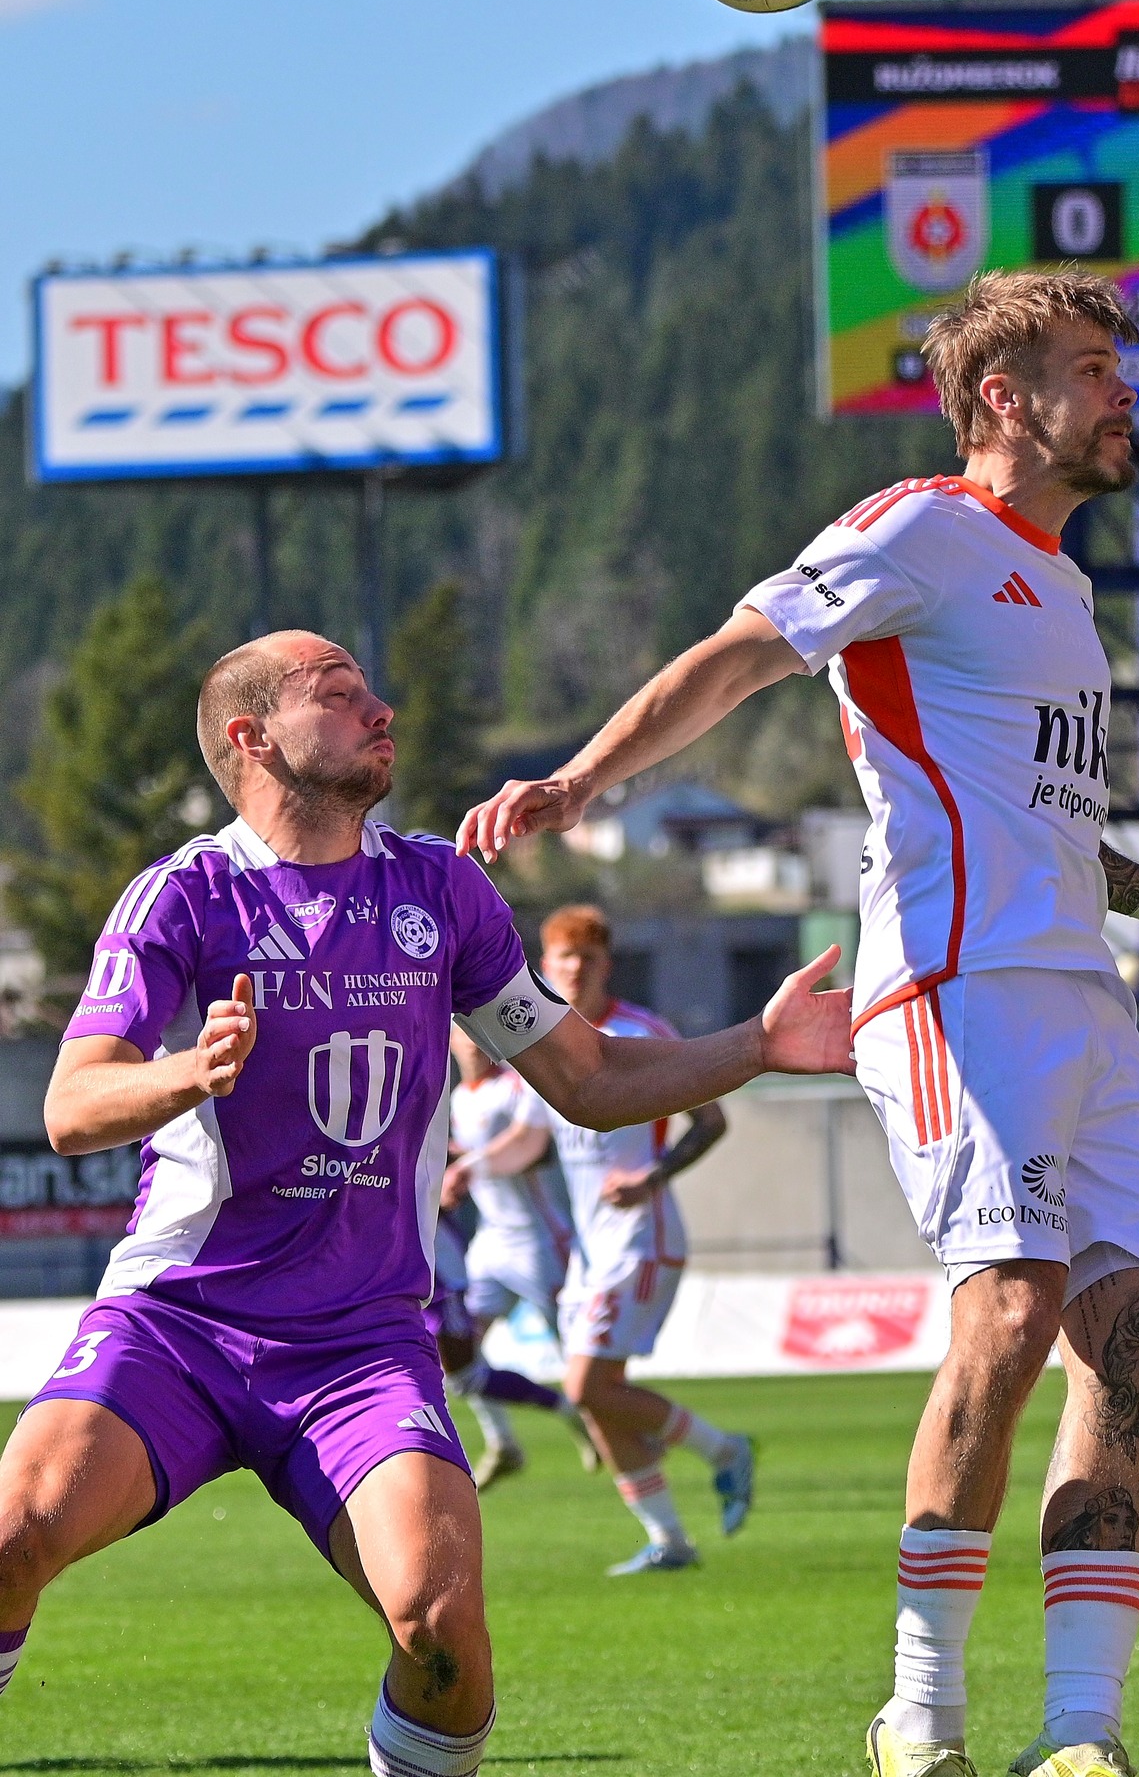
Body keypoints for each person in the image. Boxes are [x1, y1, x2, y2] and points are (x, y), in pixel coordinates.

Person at [458, 270, 1139, 1777]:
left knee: (1134, 1346)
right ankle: (918, 1717)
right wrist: (583, 779)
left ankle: (1081, 1735)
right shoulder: (915, 529)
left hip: (1083, 1001)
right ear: (1002, 397)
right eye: (1092, 369)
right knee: (1010, 1310)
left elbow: (1057, 828)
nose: (1124, 394)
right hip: (951, 986)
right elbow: (738, 650)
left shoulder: (1063, 591)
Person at [0, 629, 852, 1776]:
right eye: (338, 693)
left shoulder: (439, 887)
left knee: (443, 1632)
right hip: (179, 1324)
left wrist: (754, 1042)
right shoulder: (185, 894)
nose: (381, 708)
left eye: (371, 690)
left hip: (361, 1342)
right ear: (252, 736)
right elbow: (71, 1103)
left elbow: (588, 1076)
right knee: (11, 1539)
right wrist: (189, 1072)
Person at [539, 903, 752, 1575]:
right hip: (587, 1249)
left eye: (588, 958)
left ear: (606, 965)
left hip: (640, 1237)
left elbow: (711, 1121)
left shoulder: (639, 1032)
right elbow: (529, 1138)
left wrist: (651, 1177)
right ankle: (669, 1541)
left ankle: (724, 1449)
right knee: (602, 1404)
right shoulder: (540, 1040)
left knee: (585, 1388)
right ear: (545, 965)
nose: (576, 969)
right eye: (564, 957)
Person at [438, 1026, 598, 1487]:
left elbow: (538, 1149)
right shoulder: (458, 1098)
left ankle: (615, 1428)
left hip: (539, 1242)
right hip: (490, 1243)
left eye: (475, 1030)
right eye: (461, 1031)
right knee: (460, 1361)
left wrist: (469, 1163)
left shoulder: (518, 1085)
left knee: (581, 1359)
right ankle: (503, 1442)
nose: (471, 1040)